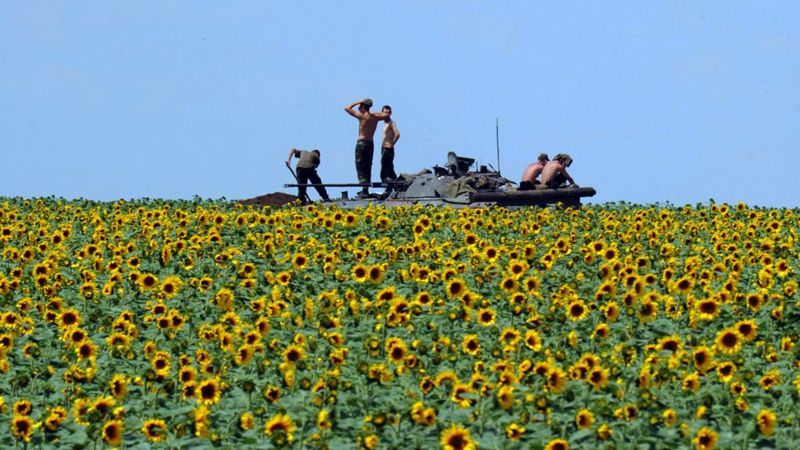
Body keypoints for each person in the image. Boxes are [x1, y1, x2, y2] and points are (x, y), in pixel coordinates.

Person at [344, 98, 392, 198]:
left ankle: (364, 189)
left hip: (361, 143)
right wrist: (372, 110)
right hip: (370, 143)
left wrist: (358, 101)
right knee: (368, 165)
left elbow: (347, 108)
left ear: (362, 107)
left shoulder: (361, 116)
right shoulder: (375, 117)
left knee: (361, 165)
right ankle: (365, 188)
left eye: (360, 107)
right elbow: (386, 115)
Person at [379, 105, 400, 200]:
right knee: (387, 167)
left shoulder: (391, 123)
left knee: (386, 168)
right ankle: (393, 185)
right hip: (384, 147)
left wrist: (392, 143)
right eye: (385, 112)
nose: (386, 114)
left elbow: (397, 134)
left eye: (388, 112)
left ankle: (392, 185)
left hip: (388, 148)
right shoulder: (384, 123)